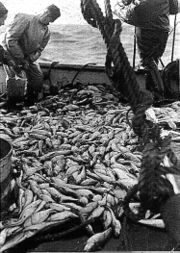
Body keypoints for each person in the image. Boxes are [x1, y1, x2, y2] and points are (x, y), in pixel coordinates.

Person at [113, 0, 179, 98]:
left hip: (147, 29)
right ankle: (152, 93)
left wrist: (117, 8)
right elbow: (174, 8)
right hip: (163, 30)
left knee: (147, 61)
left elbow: (133, 12)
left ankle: (159, 94)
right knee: (153, 61)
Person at [3, 4, 61, 105]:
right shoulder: (25, 19)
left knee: (37, 76)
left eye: (49, 18)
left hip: (27, 58)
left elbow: (39, 50)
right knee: (17, 76)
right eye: (46, 13)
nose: (46, 17)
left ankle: (31, 100)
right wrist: (21, 59)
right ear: (44, 10)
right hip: (10, 53)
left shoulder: (46, 32)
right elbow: (11, 40)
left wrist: (30, 59)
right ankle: (13, 103)